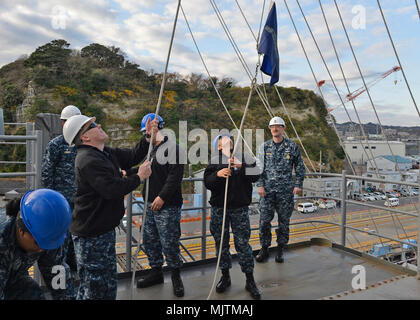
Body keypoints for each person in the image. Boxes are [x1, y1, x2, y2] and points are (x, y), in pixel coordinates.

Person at [62, 114, 154, 300]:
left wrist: (148, 138)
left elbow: (132, 156)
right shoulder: (88, 160)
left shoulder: (103, 153)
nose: (99, 125)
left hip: (101, 231)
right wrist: (139, 177)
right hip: (91, 236)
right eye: (93, 125)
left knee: (106, 284)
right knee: (94, 288)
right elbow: (112, 189)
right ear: (85, 137)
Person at [204, 134, 261, 300]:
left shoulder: (245, 158)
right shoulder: (214, 161)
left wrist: (241, 166)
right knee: (221, 243)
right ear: (219, 147)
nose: (228, 140)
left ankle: (250, 280)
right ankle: (225, 276)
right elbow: (207, 181)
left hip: (239, 209)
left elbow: (256, 175)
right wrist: (218, 175)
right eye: (223, 140)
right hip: (219, 208)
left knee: (243, 244)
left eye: (230, 139)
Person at [135, 113, 186, 298]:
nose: (147, 135)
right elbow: (143, 169)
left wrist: (162, 197)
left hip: (168, 205)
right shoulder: (149, 150)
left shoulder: (173, 148)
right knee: (150, 241)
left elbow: (174, 177)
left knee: (170, 242)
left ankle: (175, 276)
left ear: (159, 129)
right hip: (149, 203)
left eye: (149, 131)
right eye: (145, 132)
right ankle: (156, 272)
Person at [0, 189, 75, 300]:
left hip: (14, 277)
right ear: (21, 231)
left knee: (33, 294)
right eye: (37, 243)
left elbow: (57, 276)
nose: (42, 249)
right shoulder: (3, 239)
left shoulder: (48, 234)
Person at [256, 116, 305, 263]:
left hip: (285, 192)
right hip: (267, 192)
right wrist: (259, 185)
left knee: (284, 222)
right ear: (270, 129)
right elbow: (258, 168)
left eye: (277, 126)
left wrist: (298, 184)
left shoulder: (292, 147)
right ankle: (264, 248)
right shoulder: (264, 147)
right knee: (264, 221)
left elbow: (300, 167)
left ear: (283, 128)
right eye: (272, 127)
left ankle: (280, 249)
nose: (275, 129)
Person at [41, 105, 81, 273]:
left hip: (80, 199)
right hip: (61, 200)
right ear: (63, 123)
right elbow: (46, 172)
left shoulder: (82, 143)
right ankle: (60, 269)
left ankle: (74, 264)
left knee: (76, 234)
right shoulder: (56, 144)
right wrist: (50, 200)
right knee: (61, 236)